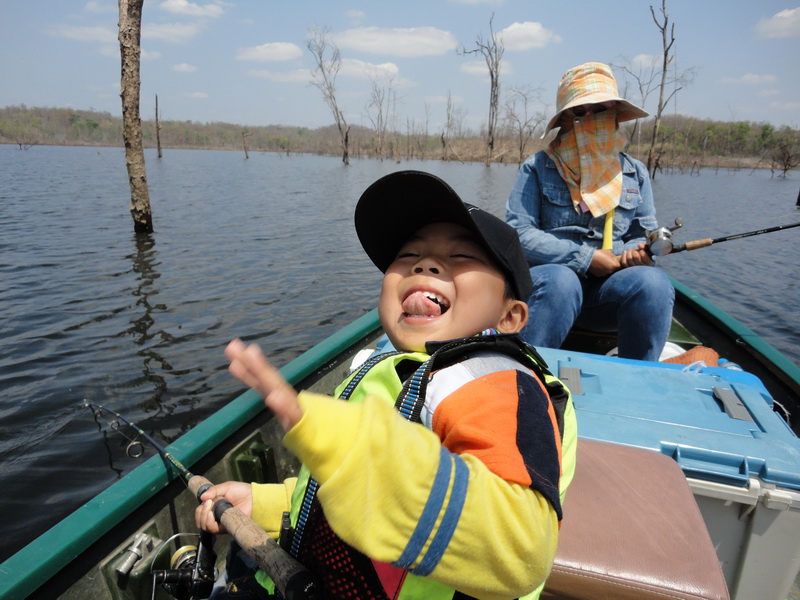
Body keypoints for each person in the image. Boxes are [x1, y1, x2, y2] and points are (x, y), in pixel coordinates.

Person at [196, 170, 577, 600]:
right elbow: (341, 491)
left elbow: (520, 549)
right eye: (409, 254)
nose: (425, 264)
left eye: (463, 257)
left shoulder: (497, 385)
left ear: (510, 318)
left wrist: (355, 448)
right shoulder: (395, 369)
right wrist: (265, 504)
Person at [505, 62, 675, 361]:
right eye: (579, 111)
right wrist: (585, 258)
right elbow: (518, 234)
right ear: (566, 119)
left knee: (653, 283)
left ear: (613, 114)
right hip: (549, 290)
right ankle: (525, 373)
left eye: (599, 109)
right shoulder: (538, 167)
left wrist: (639, 252)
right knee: (562, 280)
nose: (589, 118)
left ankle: (640, 378)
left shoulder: (635, 173)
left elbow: (641, 234)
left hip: (607, 296)